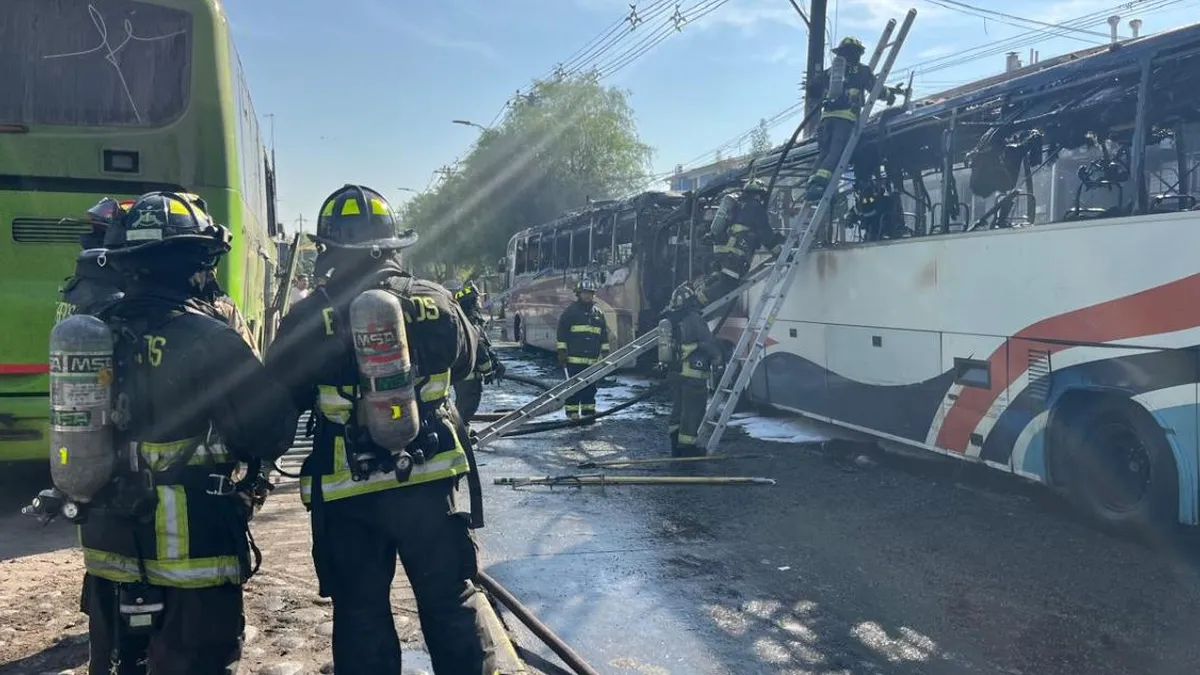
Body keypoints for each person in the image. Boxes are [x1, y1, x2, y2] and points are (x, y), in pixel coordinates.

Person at [264, 184, 498, 674]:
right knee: (450, 601)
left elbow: (277, 399)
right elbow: (468, 363)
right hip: (429, 483)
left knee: (361, 614)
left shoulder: (307, 317)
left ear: (329, 248)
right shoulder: (436, 301)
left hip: (348, 494)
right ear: (392, 246)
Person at [73, 191, 298, 675]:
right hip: (194, 553)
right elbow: (269, 431)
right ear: (196, 264)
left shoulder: (92, 333)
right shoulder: (210, 338)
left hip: (110, 549)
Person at [802, 37, 894, 202]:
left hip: (825, 121)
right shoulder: (862, 71)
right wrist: (890, 96)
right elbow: (876, 89)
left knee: (824, 153)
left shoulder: (831, 72)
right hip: (845, 120)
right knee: (836, 153)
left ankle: (812, 185)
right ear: (857, 53)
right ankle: (820, 184)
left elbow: (813, 90)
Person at [693, 178, 782, 308]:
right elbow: (765, 234)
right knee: (727, 284)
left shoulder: (737, 205)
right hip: (735, 255)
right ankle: (696, 304)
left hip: (721, 253)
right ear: (759, 194)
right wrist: (779, 252)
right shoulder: (756, 208)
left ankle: (695, 297)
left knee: (718, 280)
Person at [663, 282, 724, 457]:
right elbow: (708, 342)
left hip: (675, 373)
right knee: (692, 412)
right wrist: (718, 357)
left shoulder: (669, 318)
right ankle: (687, 448)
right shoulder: (694, 318)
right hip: (693, 374)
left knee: (678, 409)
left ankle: (675, 445)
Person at [447, 279, 504, 424]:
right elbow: (480, 350)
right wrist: (488, 371)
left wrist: (495, 363)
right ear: (471, 302)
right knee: (465, 411)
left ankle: (463, 432)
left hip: (463, 377)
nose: (479, 303)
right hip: (469, 379)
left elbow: (484, 347)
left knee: (463, 411)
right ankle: (459, 435)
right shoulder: (471, 324)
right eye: (477, 299)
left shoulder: (464, 321)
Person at [555, 278, 610, 421]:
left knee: (590, 388)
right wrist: (562, 351)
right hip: (574, 359)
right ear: (578, 294)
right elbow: (562, 333)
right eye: (584, 293)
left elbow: (603, 335)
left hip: (592, 360)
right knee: (573, 388)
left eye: (590, 293)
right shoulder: (570, 312)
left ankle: (588, 411)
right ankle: (572, 413)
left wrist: (605, 352)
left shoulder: (598, 314)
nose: (587, 296)